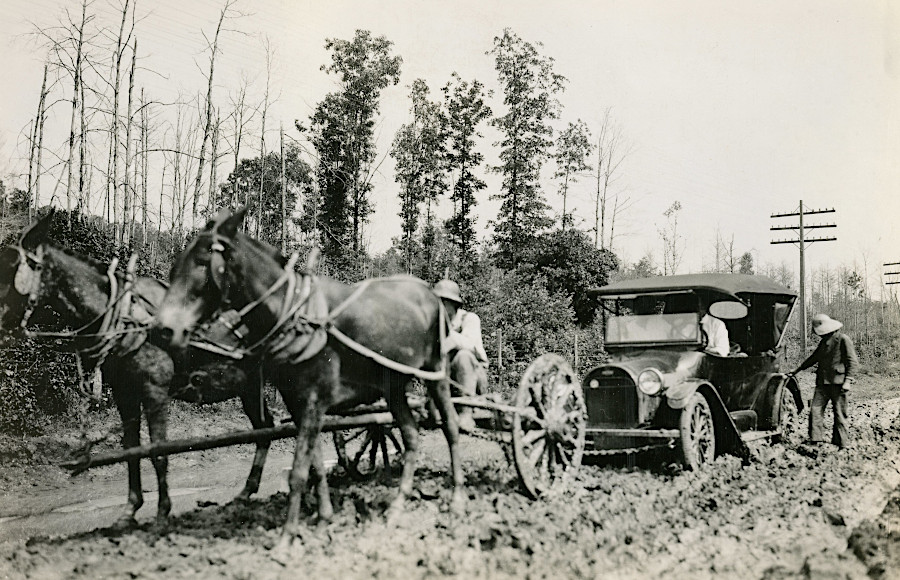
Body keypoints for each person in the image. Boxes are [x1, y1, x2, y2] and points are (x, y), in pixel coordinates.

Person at [789, 313, 859, 449]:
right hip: (822, 383)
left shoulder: (843, 339)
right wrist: (797, 370)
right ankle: (816, 440)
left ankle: (841, 443)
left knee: (839, 413)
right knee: (815, 410)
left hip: (838, 383)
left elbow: (852, 362)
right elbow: (813, 358)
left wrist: (848, 381)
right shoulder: (823, 342)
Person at [433, 279, 489, 433]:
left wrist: (447, 336)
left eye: (445, 302)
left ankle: (466, 412)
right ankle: (434, 409)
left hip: (474, 378)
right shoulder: (436, 324)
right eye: (437, 302)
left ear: (455, 304)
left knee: (463, 356)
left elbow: (470, 344)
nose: (440, 307)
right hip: (449, 378)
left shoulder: (469, 319)